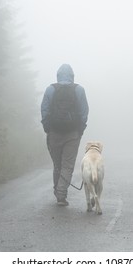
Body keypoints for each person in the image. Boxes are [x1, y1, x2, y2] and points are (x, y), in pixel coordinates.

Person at [41, 64, 89, 206]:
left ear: (57, 76)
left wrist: (47, 128)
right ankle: (61, 195)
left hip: (54, 132)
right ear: (72, 76)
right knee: (67, 166)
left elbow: (44, 110)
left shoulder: (50, 89)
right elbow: (84, 112)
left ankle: (58, 191)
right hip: (72, 134)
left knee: (57, 165)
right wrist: (80, 129)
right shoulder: (79, 90)